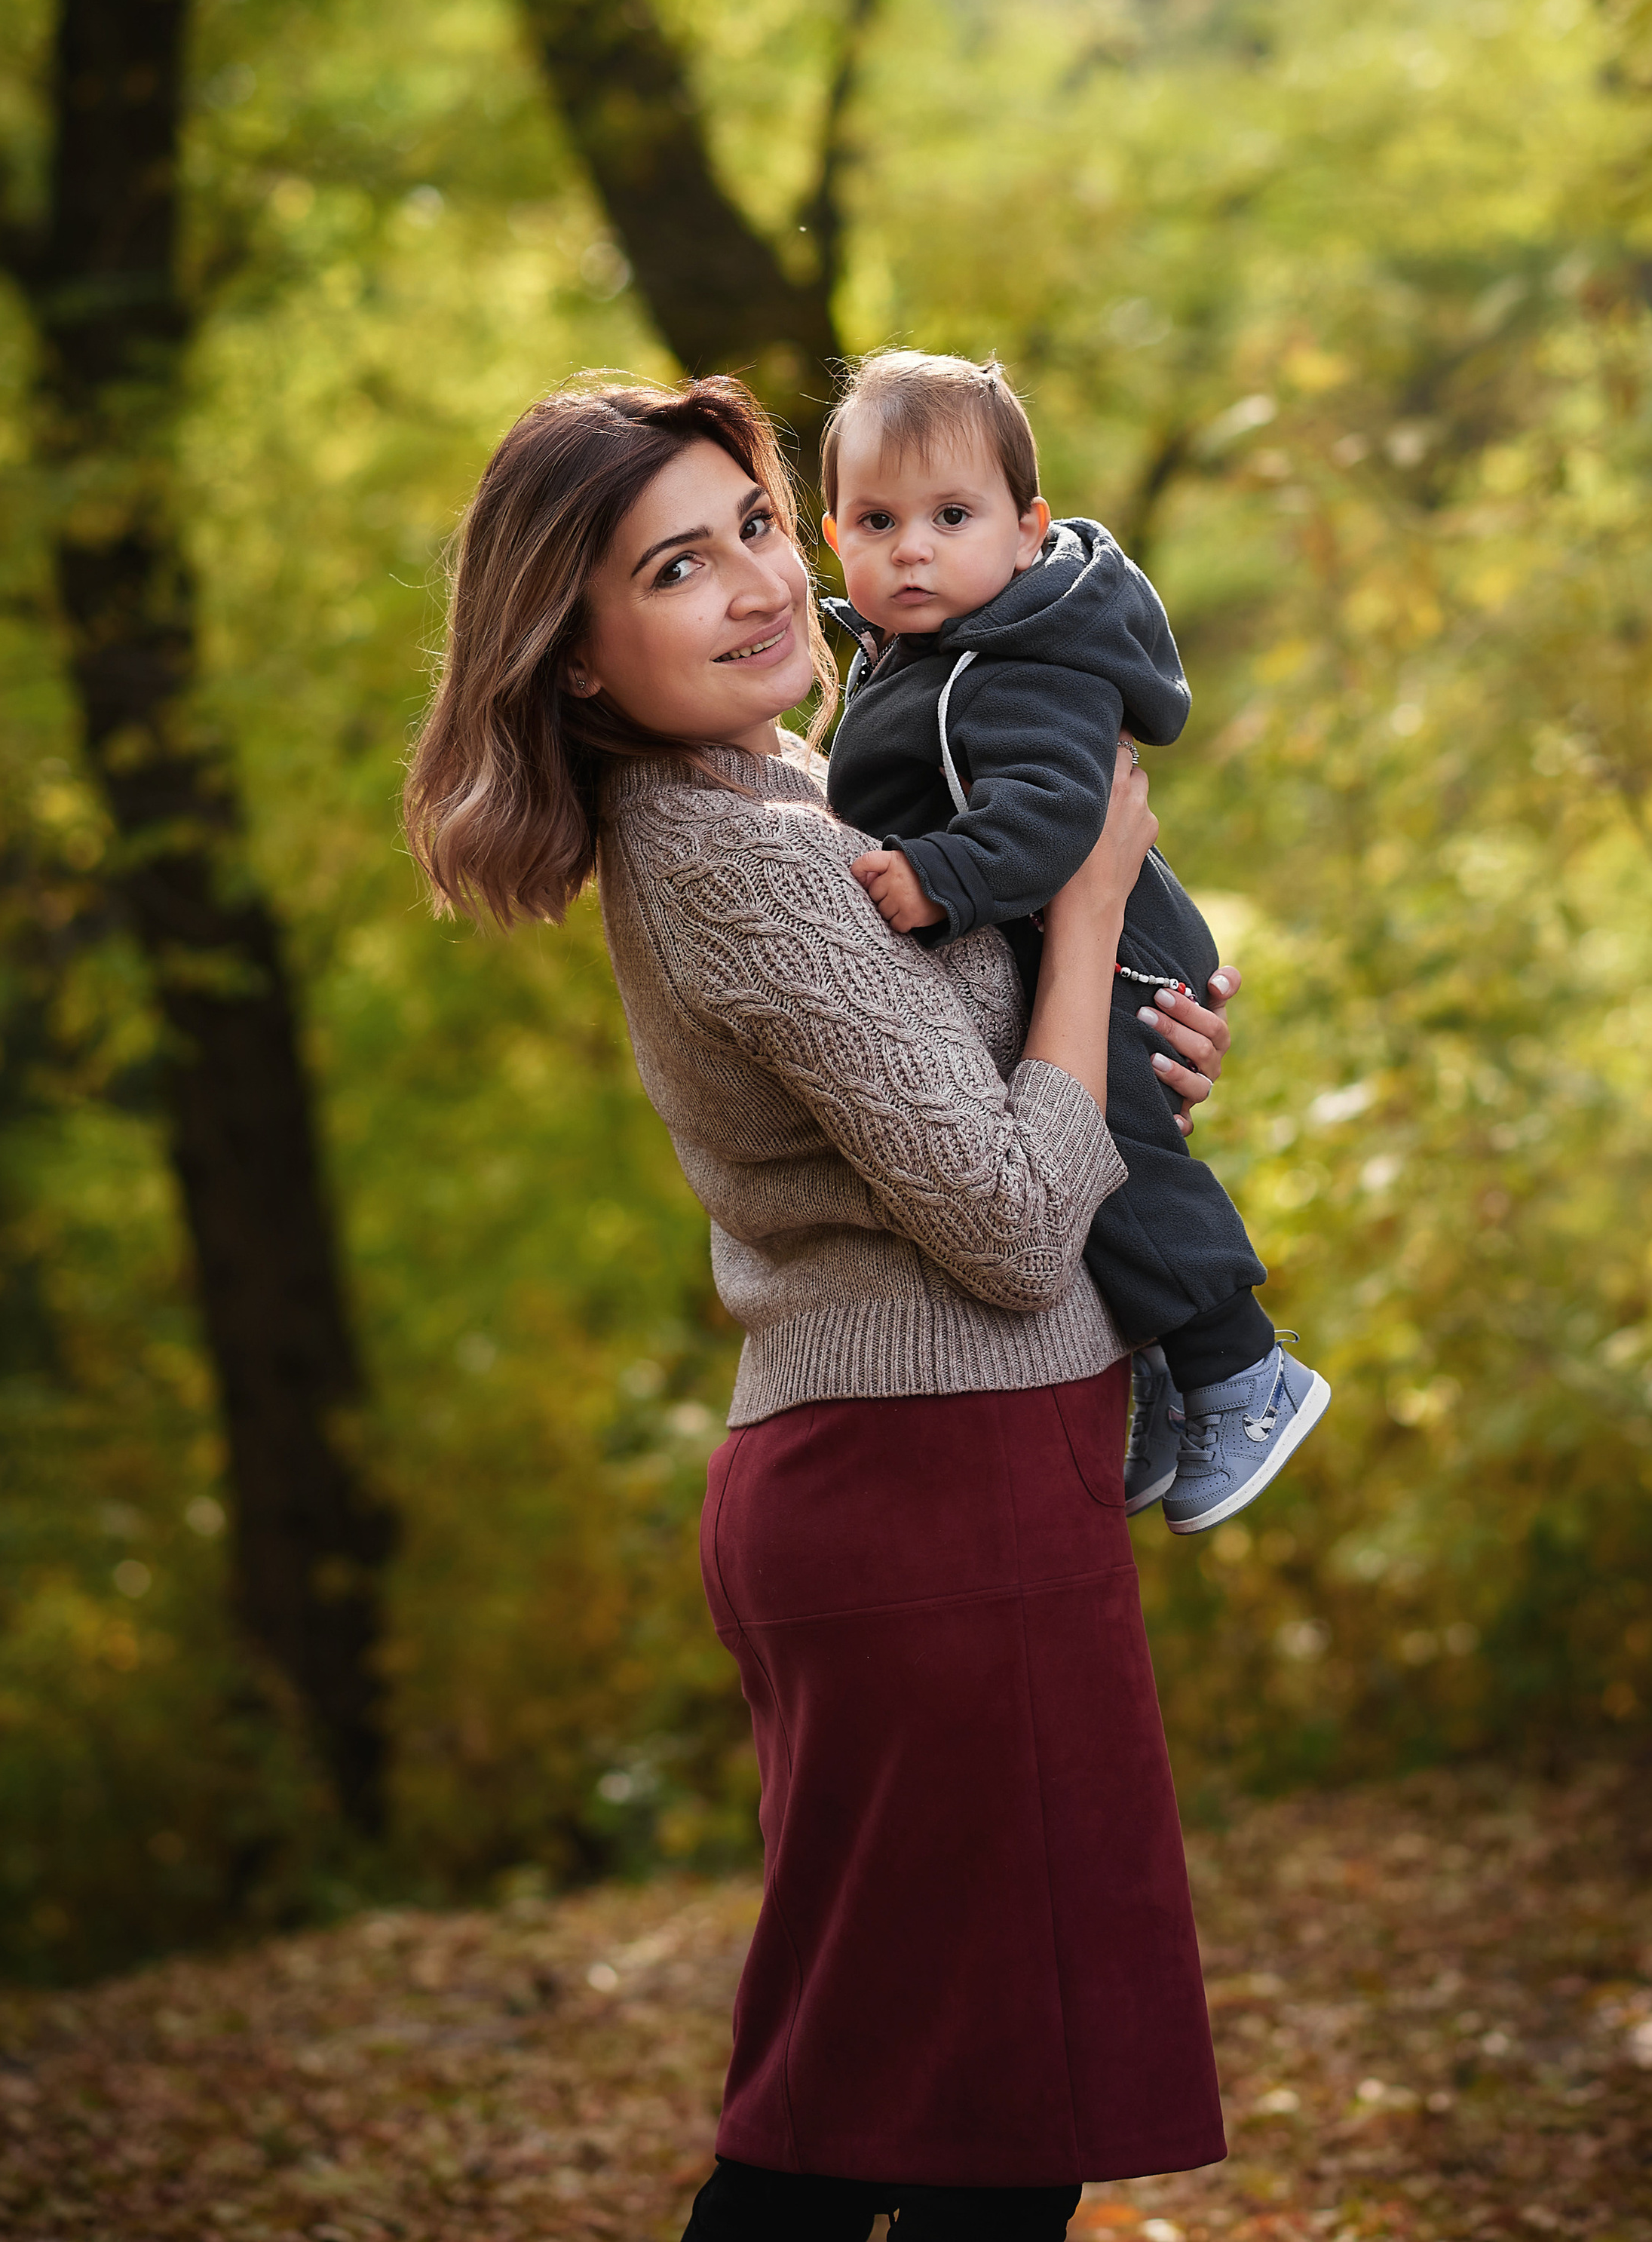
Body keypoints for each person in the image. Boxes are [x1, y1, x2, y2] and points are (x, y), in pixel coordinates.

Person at [403, 374, 1234, 2242]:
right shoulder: (750, 858)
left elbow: (998, 1115)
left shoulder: (788, 792)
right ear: (580, 653)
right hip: (932, 1489)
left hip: (944, 1478)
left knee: (908, 2107)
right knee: (942, 2133)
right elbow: (1009, 1224)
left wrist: (1134, 1047)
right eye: (675, 568)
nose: (763, 583)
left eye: (759, 527)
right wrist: (1085, 914)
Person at [818, 350, 1329, 1536]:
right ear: (834, 535)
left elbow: (1059, 813)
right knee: (1065, 1142)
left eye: (952, 517)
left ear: (1027, 530)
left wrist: (939, 878)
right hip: (1059, 935)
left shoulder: (1019, 658)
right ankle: (1159, 1373)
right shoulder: (910, 657)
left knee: (1108, 1153)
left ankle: (1239, 1368)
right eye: (879, 522)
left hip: (1116, 937)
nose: (913, 549)